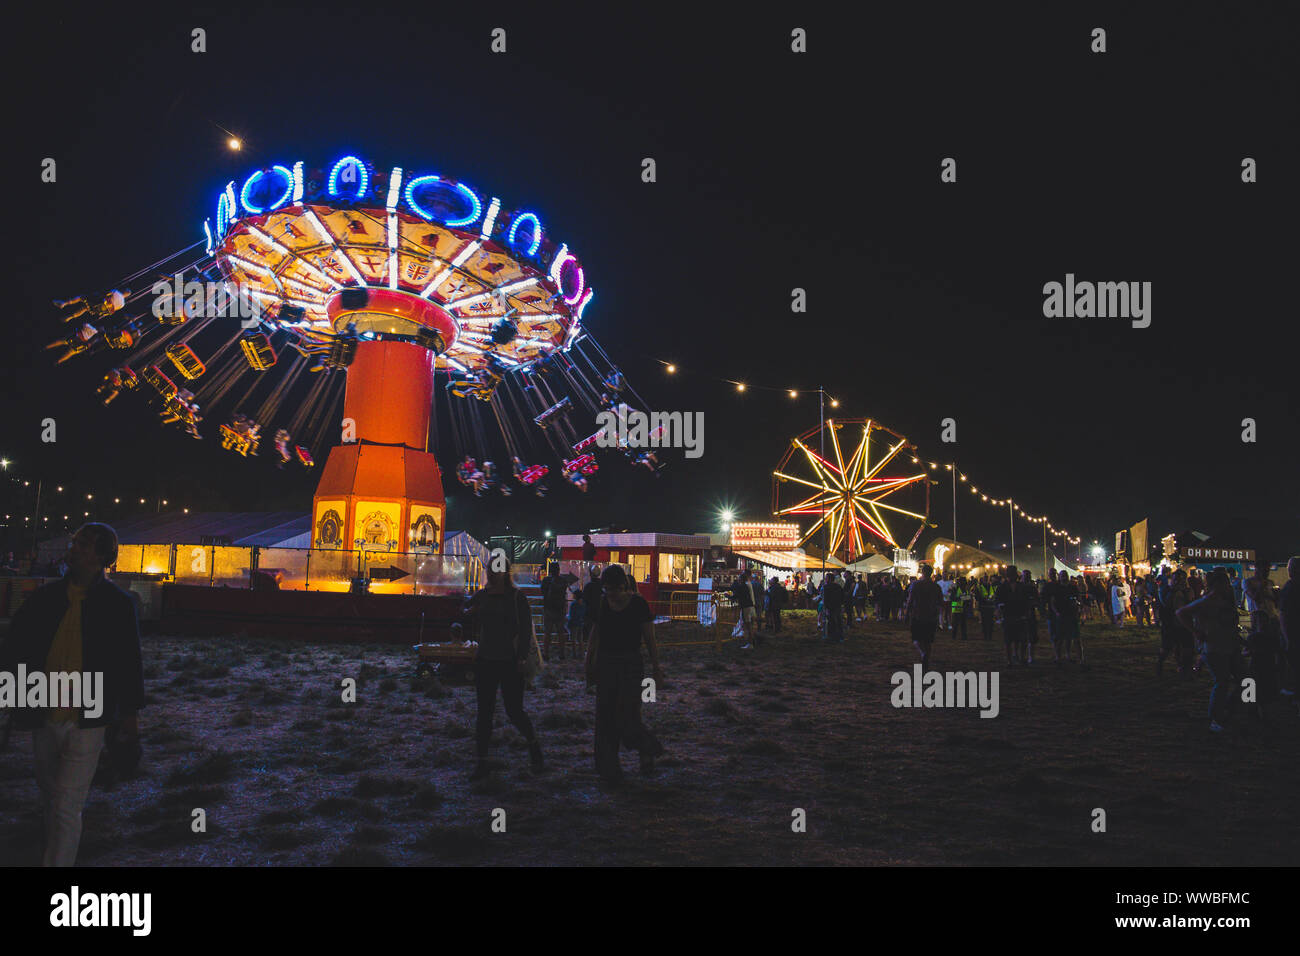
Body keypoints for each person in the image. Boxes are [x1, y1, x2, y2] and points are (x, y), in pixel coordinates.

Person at [0, 523, 144, 866]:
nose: (74, 548)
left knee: (65, 802)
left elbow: (128, 663)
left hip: (85, 717)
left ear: (100, 555)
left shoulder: (115, 604)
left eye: (82, 544)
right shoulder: (49, 598)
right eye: (75, 542)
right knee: (53, 797)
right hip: (47, 709)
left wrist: (130, 719)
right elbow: (17, 650)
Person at [463, 559, 544, 778]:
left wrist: (521, 658)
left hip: (509, 661)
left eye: (495, 571)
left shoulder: (517, 598)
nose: (491, 575)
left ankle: (533, 745)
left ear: (504, 573)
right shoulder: (482, 595)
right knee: (484, 712)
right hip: (486, 660)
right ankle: (482, 762)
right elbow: (465, 611)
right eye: (489, 571)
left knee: (514, 710)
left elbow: (526, 630)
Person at [585, 565, 664, 782]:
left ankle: (647, 747)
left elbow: (650, 638)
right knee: (604, 716)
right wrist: (589, 662)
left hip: (630, 664)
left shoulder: (638, 604)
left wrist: (656, 667)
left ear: (624, 586)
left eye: (616, 590)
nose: (613, 595)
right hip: (607, 663)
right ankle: (609, 768)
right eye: (608, 590)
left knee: (626, 714)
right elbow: (596, 636)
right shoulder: (603, 604)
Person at [1177, 569, 1243, 733]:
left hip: (1231, 645)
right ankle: (1216, 717)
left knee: (1247, 679)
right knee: (1222, 682)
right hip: (1215, 647)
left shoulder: (1226, 600)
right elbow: (1181, 612)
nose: (1228, 586)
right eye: (1225, 583)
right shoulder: (1208, 600)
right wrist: (1196, 632)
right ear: (1217, 585)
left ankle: (1243, 707)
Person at [904, 564, 942, 668]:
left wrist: (906, 614)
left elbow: (910, 600)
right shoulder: (936, 586)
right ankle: (926, 658)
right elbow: (940, 603)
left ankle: (922, 653)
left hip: (918, 615)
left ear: (922, 572)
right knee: (928, 640)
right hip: (931, 616)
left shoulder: (916, 584)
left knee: (916, 638)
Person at [996, 565, 1027, 665]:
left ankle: (1018, 657)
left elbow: (1024, 600)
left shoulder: (1021, 586)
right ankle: (1010, 659)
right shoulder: (1002, 587)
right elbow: (998, 601)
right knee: (1008, 639)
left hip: (1018, 614)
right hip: (1008, 615)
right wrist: (1000, 615)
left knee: (1019, 639)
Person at [539, 563, 569, 660]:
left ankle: (546, 653)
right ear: (558, 570)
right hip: (560, 610)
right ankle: (562, 653)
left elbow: (542, 592)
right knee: (561, 632)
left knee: (547, 632)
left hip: (549, 609)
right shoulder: (563, 580)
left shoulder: (546, 580)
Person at [1053, 572, 1083, 663]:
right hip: (1062, 615)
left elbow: (1079, 599)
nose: (1064, 578)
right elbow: (1052, 602)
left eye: (1065, 576)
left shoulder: (1073, 588)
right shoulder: (1057, 589)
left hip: (1072, 614)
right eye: (1062, 576)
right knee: (1060, 638)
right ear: (1060, 577)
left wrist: (1079, 609)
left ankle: (1079, 658)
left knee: (1075, 637)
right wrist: (1056, 612)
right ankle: (1059, 657)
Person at [732, 570, 758, 650]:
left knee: (748, 625)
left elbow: (736, 596)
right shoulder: (748, 585)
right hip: (751, 606)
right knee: (749, 625)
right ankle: (752, 641)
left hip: (746, 607)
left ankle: (750, 643)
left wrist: (728, 596)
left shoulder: (743, 586)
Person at [822, 571, 845, 643]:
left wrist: (826, 607)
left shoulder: (826, 587)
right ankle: (840, 636)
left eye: (826, 578)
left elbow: (825, 598)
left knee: (831, 621)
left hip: (830, 606)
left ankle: (832, 636)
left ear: (829, 579)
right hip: (837, 605)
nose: (825, 579)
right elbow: (842, 596)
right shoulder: (838, 587)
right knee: (838, 621)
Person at [977, 574, 997, 641]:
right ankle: (986, 636)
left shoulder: (992, 587)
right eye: (985, 578)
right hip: (984, 606)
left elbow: (995, 595)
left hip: (990, 606)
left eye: (987, 578)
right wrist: (984, 599)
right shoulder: (979, 587)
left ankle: (989, 636)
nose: (986, 580)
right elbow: (977, 597)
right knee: (985, 622)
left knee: (990, 622)